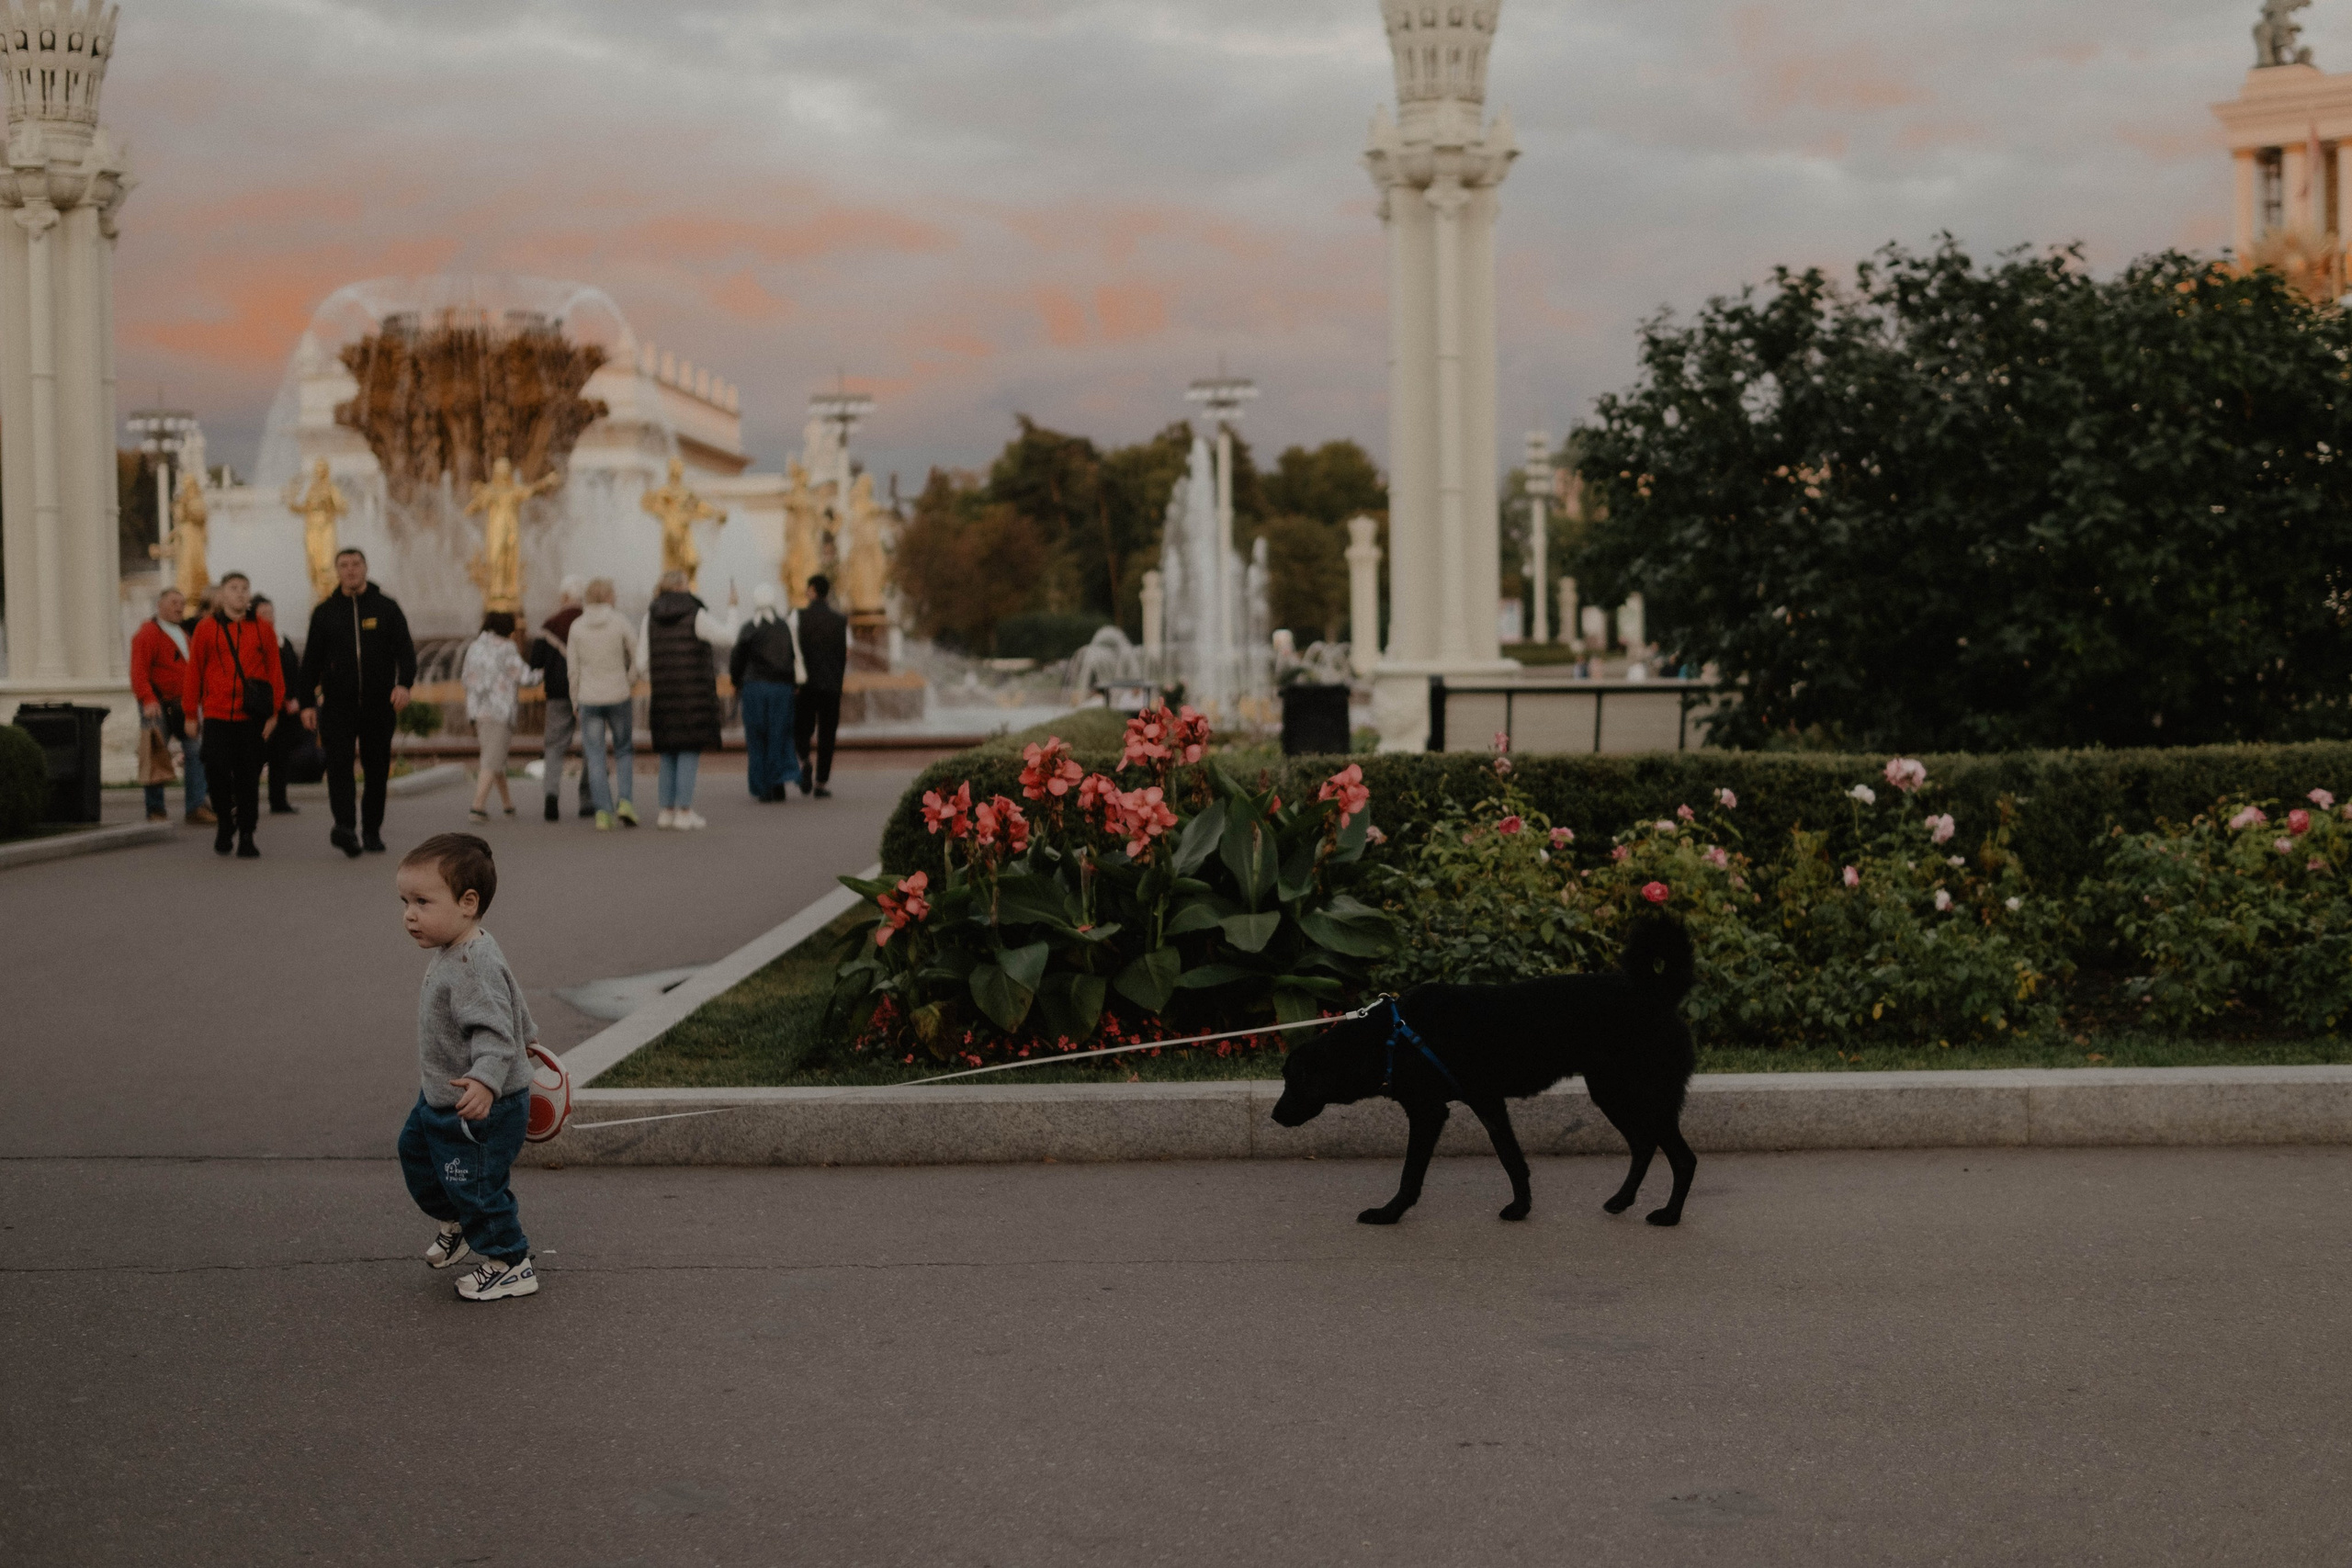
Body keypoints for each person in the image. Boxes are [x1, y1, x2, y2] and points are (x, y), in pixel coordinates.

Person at [394, 832, 540, 1303]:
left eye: (422, 901)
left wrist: (486, 1080)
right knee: (416, 1155)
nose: (409, 914)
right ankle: (456, 1220)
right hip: (442, 1096)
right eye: (405, 901)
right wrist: (530, 1037)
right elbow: (512, 1006)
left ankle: (510, 1262)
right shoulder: (458, 948)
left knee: (477, 1186)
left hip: (478, 1106)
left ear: (467, 902)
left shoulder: (472, 963)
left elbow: (495, 1031)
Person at [299, 547, 416, 859]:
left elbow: (406, 651)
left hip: (378, 705)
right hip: (338, 705)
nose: (350, 570)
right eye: (344, 566)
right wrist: (307, 702)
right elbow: (310, 662)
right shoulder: (325, 613)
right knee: (338, 766)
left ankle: (372, 830)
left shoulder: (386, 608)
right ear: (337, 572)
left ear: (365, 567)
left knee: (376, 769)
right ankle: (346, 828)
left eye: (356, 564)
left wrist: (404, 684)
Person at [181, 571, 285, 858]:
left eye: (244, 588)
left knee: (248, 777)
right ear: (222, 595)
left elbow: (275, 671)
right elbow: (194, 672)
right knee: (215, 770)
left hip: (250, 716)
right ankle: (225, 823)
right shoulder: (205, 628)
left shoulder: (262, 629)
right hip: (215, 714)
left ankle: (248, 834)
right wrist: (190, 713)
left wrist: (274, 712)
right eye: (234, 588)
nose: (240, 593)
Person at [639, 569, 739, 829]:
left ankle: (666, 811)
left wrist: (660, 675)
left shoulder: (650, 615)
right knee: (688, 749)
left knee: (668, 751)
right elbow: (728, 638)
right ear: (683, 586)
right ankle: (684, 812)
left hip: (663, 693)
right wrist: (733, 608)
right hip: (693, 694)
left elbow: (641, 662)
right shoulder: (696, 613)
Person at [130, 585, 212, 827]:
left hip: (183, 705)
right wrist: (147, 698)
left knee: (195, 752)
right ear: (160, 605)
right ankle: (155, 809)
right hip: (158, 704)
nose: (179, 607)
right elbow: (138, 670)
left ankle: (196, 806)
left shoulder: (182, 633)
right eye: (174, 602)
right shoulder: (148, 634)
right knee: (155, 752)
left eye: (182, 602)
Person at [566, 577, 640, 831]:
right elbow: (637, 654)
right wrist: (629, 679)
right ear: (610, 596)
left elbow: (573, 670)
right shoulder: (620, 621)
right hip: (618, 694)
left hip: (589, 697)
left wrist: (574, 700)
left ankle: (603, 812)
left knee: (595, 755)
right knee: (623, 750)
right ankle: (626, 802)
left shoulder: (576, 627)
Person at [528, 577, 594, 823]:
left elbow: (535, 661)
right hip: (587, 691)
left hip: (557, 692)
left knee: (554, 746)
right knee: (590, 745)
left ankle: (551, 795)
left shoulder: (550, 625)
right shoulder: (589, 622)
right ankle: (587, 800)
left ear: (563, 597)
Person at [462, 611, 537, 823]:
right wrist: (543, 673)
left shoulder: (474, 647)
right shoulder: (506, 648)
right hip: (500, 711)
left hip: (478, 711)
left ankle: (507, 805)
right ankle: (477, 807)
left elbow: (465, 677)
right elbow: (524, 676)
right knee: (491, 759)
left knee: (495, 757)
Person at [729, 584, 800, 803]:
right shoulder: (784, 627)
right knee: (778, 735)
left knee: (757, 737)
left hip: (754, 688)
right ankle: (778, 783)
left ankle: (762, 788)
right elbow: (792, 656)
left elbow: (737, 659)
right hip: (781, 688)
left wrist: (736, 681)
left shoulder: (749, 628)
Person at [793, 574, 848, 799]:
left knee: (802, 730)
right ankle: (821, 783)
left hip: (806, 686)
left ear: (813, 590)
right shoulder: (839, 620)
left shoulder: (800, 617)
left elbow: (794, 652)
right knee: (827, 734)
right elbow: (844, 653)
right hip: (831, 686)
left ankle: (805, 762)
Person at [251, 595, 306, 816]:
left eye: (270, 612)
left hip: (287, 709)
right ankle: (247, 802)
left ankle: (279, 800)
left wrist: (297, 698)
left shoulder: (283, 639)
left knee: (280, 756)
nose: (268, 618)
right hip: (264, 708)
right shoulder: (253, 641)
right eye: (263, 614)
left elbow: (294, 671)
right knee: (256, 756)